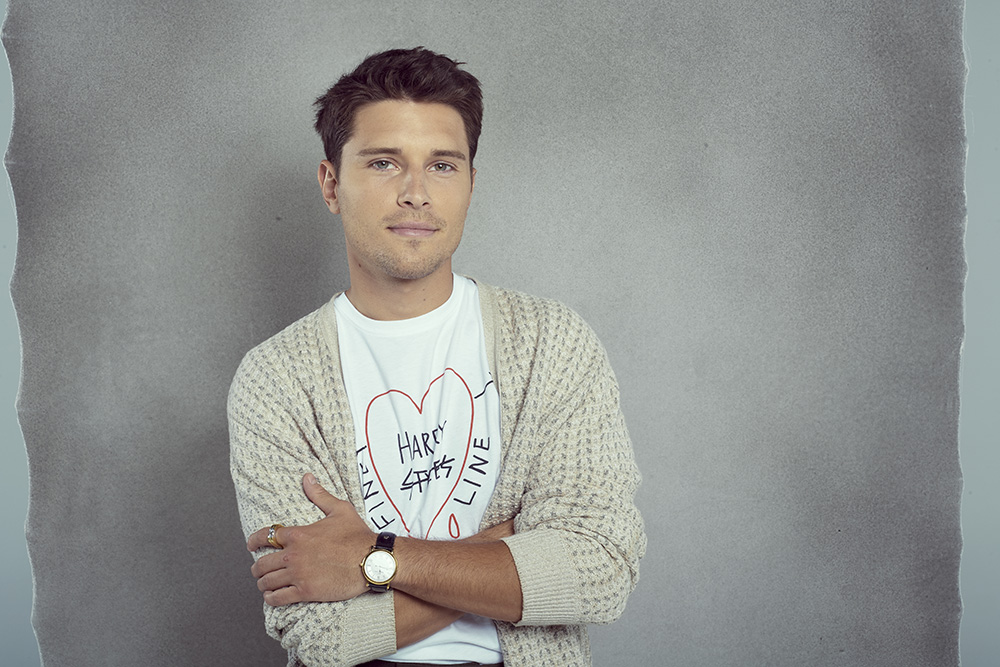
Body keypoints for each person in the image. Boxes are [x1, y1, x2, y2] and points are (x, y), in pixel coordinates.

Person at [228, 47, 645, 667]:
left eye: (443, 165)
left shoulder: (552, 343)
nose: (417, 193)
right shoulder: (275, 381)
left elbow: (601, 569)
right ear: (331, 184)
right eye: (384, 163)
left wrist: (373, 557)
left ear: (472, 181)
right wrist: (513, 549)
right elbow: (320, 637)